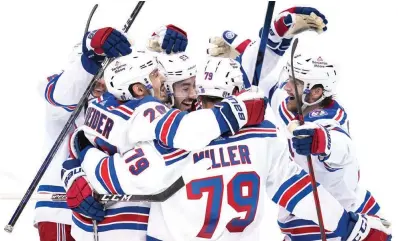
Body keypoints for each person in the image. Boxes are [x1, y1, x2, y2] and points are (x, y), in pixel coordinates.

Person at [69, 57, 391, 241]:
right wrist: (352, 229)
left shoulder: (177, 142)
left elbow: (117, 176)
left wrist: (83, 155)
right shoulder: (265, 137)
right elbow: (298, 192)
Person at [207, 6, 389, 240]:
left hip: (345, 226)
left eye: (296, 83)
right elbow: (261, 77)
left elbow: (344, 150)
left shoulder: (332, 121)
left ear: (316, 93)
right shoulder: (294, 103)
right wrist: (272, 34)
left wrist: (321, 141)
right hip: (308, 223)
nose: (287, 87)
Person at [62, 49, 266, 241]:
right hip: (123, 225)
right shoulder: (148, 112)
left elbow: (78, 140)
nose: (164, 81)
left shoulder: (101, 106)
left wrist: (76, 169)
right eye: (184, 87)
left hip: (100, 225)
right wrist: (235, 112)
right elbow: (181, 135)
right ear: (139, 88)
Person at [36, 26, 131, 241]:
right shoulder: (59, 91)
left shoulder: (117, 101)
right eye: (92, 72)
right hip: (61, 209)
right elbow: (64, 94)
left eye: (104, 73)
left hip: (109, 208)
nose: (99, 81)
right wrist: (91, 57)